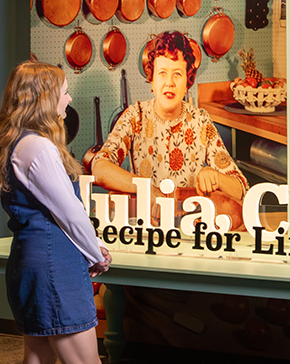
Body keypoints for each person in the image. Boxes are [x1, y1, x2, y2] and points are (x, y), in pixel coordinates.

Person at [0, 61, 111, 364]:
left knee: (37, 361)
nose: (68, 100)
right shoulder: (39, 149)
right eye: (64, 93)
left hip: (31, 263)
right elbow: (70, 214)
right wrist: (96, 253)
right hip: (56, 269)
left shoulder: (16, 143)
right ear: (46, 99)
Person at [90, 30, 248, 227]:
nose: (170, 83)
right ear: (152, 80)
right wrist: (146, 188)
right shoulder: (135, 116)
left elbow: (240, 188)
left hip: (193, 229)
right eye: (162, 73)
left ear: (187, 81)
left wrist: (215, 176)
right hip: (148, 229)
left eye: (178, 74)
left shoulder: (201, 121)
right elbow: (99, 167)